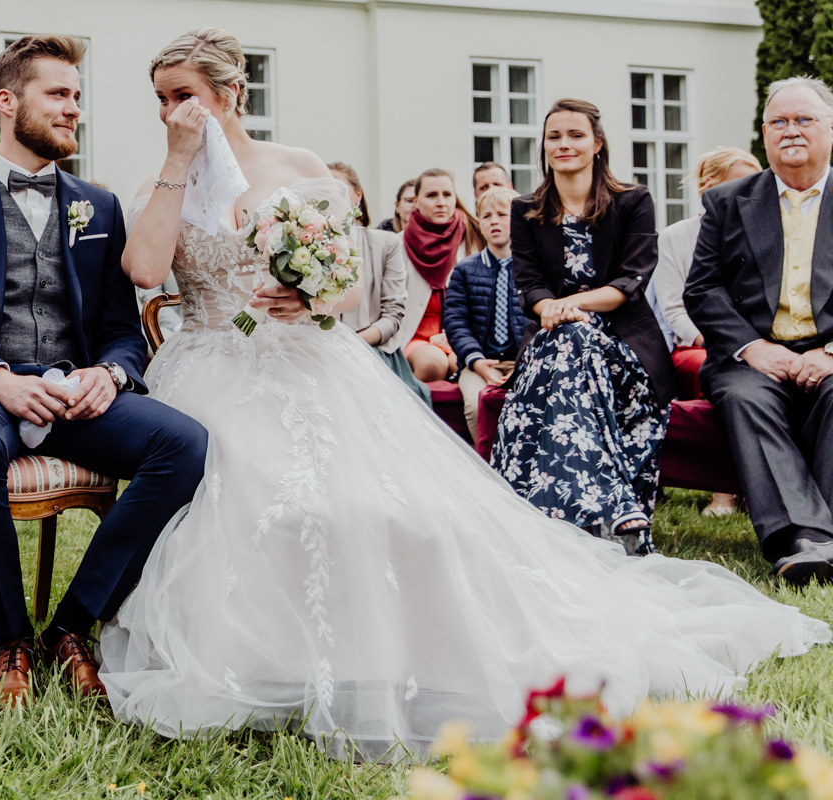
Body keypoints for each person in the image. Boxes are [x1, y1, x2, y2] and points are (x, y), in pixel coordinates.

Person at [97, 28, 828, 761]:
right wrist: (176, 160)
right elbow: (145, 266)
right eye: (160, 100)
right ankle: (254, 658)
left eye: (183, 97)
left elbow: (347, 285)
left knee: (392, 512)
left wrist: (309, 294)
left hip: (307, 358)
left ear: (230, 94)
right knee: (252, 496)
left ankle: (390, 651)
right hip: (214, 365)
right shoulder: (167, 176)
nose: (170, 111)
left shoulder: (297, 166)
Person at [0, 35, 208, 707]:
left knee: (184, 445)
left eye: (77, 98)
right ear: (8, 102)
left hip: (70, 393)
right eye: (58, 95)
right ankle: (12, 641)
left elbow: (123, 331)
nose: (73, 110)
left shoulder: (100, 204)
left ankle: (71, 628)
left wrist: (112, 376)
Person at [491, 99, 676, 556]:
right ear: (544, 146)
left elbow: (629, 283)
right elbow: (529, 286)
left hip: (624, 345)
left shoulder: (634, 202)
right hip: (553, 342)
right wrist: (551, 308)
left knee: (577, 337)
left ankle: (549, 512)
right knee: (571, 339)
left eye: (575, 135)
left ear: (597, 144)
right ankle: (613, 508)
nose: (564, 144)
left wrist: (566, 304)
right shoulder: (526, 209)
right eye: (554, 136)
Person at [685, 76, 833, 586]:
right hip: (751, 360)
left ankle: (823, 538)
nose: (790, 130)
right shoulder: (728, 201)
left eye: (804, 119)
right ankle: (803, 540)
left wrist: (831, 353)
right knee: (747, 399)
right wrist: (753, 349)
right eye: (779, 122)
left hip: (830, 354)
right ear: (764, 133)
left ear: (830, 129)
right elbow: (702, 289)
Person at [650, 146, 760, 518]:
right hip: (696, 345)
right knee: (709, 370)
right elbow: (673, 308)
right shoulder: (676, 236)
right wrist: (718, 341)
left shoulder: (759, 231)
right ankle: (723, 492)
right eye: (744, 183)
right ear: (709, 187)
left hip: (755, 345)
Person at [328, 161, 431, 405]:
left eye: (339, 188)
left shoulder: (386, 243)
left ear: (357, 195)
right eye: (324, 189)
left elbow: (394, 315)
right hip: (323, 351)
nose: (332, 195)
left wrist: (355, 343)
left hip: (375, 351)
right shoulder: (301, 245)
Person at [443, 186, 524, 440]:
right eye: (487, 216)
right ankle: (485, 468)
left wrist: (524, 361)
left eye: (502, 214)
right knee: (478, 404)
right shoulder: (465, 269)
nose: (494, 221)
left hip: (523, 361)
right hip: (478, 362)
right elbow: (455, 322)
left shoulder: (531, 268)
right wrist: (476, 361)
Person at [402, 168, 485, 382]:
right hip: (413, 333)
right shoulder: (396, 244)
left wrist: (456, 336)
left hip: (460, 333)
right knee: (432, 363)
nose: (441, 202)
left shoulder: (474, 238)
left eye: (447, 194)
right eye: (431, 195)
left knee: (462, 361)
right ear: (416, 201)